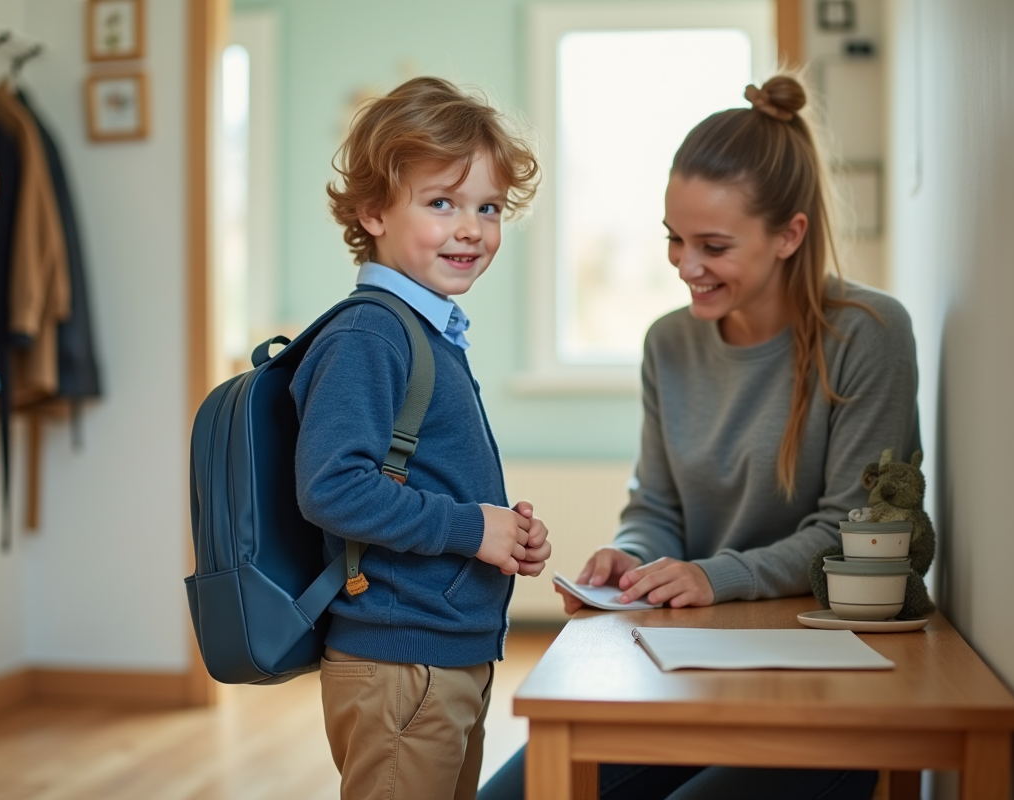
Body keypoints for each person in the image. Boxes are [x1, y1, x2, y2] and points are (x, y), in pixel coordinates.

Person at [479, 74, 918, 800]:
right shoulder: (668, 344)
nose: (685, 266)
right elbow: (657, 504)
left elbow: (855, 532)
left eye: (713, 245)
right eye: (674, 240)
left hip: (832, 686)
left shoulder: (869, 335)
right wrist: (636, 559)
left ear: (789, 234)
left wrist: (715, 575)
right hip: (695, 662)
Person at [293, 77, 551, 800]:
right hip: (401, 664)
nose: (471, 227)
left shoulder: (424, 329)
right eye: (442, 203)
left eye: (488, 207)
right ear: (373, 210)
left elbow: (421, 475)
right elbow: (332, 487)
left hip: (438, 656)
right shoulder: (371, 333)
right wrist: (472, 527)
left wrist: (500, 529)